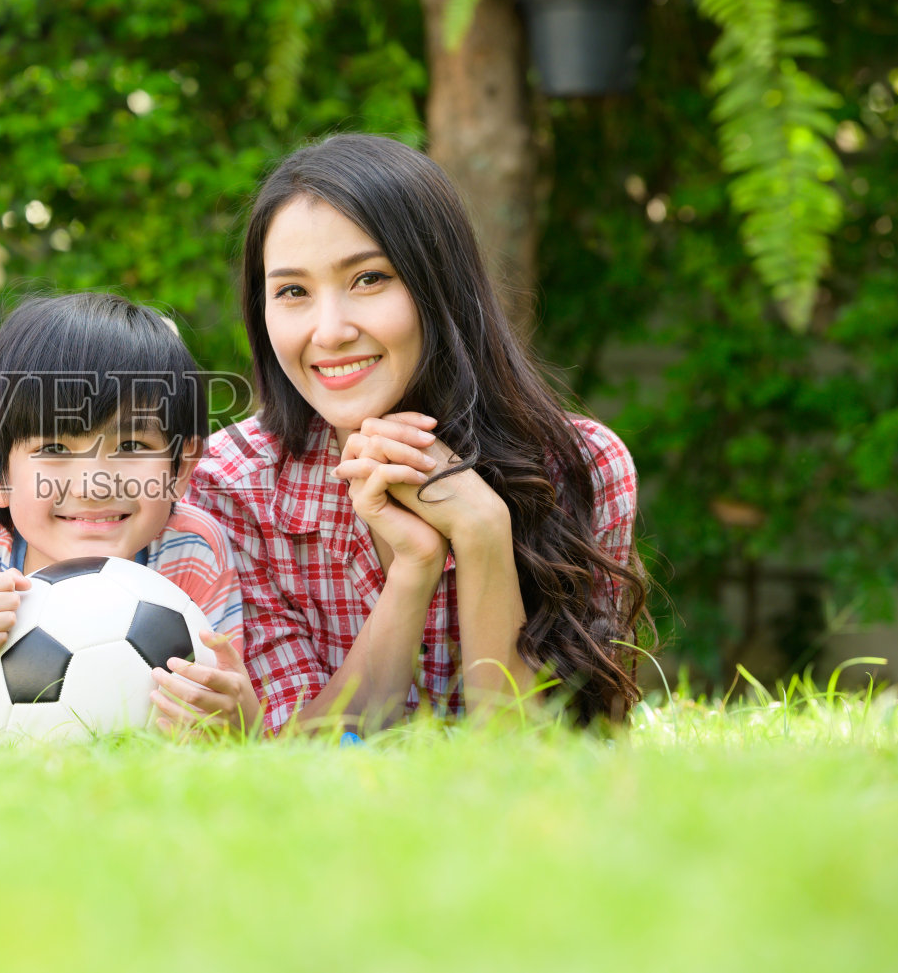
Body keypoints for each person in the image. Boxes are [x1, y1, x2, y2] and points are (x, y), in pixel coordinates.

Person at [187, 134, 650, 735]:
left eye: (369, 278)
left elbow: (548, 758)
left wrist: (482, 532)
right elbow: (293, 757)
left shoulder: (582, 466)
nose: (329, 332)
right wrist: (415, 565)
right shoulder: (230, 484)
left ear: (440, 285)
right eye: (293, 291)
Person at [0, 293, 256, 733]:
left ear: (180, 468)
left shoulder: (192, 550)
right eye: (54, 448)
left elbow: (223, 723)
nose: (95, 485)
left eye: (131, 446)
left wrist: (238, 722)